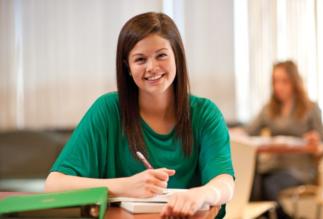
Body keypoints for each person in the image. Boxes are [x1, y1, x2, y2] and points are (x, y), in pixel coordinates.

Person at [45, 12, 235, 218]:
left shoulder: (205, 114)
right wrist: (126, 185)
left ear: (177, 57)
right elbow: (54, 184)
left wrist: (202, 193)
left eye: (161, 55)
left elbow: (225, 182)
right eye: (140, 59)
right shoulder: (108, 110)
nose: (152, 67)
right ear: (127, 66)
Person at [246, 60, 323, 219]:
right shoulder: (269, 109)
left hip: (300, 169)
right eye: (275, 81)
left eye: (284, 81)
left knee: (269, 186)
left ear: (294, 82)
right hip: (272, 166)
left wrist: (316, 144)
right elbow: (249, 131)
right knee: (252, 183)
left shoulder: (310, 108)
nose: (279, 86)